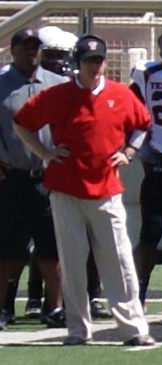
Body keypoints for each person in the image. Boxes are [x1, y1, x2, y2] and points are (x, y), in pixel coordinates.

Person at [13, 34, 154, 346]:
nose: (96, 66)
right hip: (65, 191)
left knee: (119, 260)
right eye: (89, 60)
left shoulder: (119, 93)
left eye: (99, 60)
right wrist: (45, 154)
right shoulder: (57, 95)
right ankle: (78, 330)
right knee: (73, 262)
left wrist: (129, 152)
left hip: (106, 190)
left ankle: (134, 329)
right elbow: (21, 123)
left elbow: (143, 123)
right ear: (76, 63)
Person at [37, 25, 111, 318]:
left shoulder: (84, 87)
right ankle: (40, 299)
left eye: (60, 55)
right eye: (50, 55)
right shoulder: (50, 88)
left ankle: (91, 296)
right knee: (48, 243)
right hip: (49, 174)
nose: (56, 62)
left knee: (89, 243)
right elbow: (21, 121)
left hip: (84, 178)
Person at [0, 27, 68, 330]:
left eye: (35, 47)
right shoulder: (0, 84)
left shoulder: (57, 85)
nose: (31, 52)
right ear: (12, 50)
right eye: (25, 47)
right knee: (8, 248)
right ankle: (3, 308)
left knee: (51, 248)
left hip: (49, 177)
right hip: (11, 177)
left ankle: (54, 308)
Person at [129, 28, 162, 308]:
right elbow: (130, 113)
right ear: (159, 49)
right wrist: (143, 153)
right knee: (149, 235)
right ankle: (138, 295)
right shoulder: (147, 75)